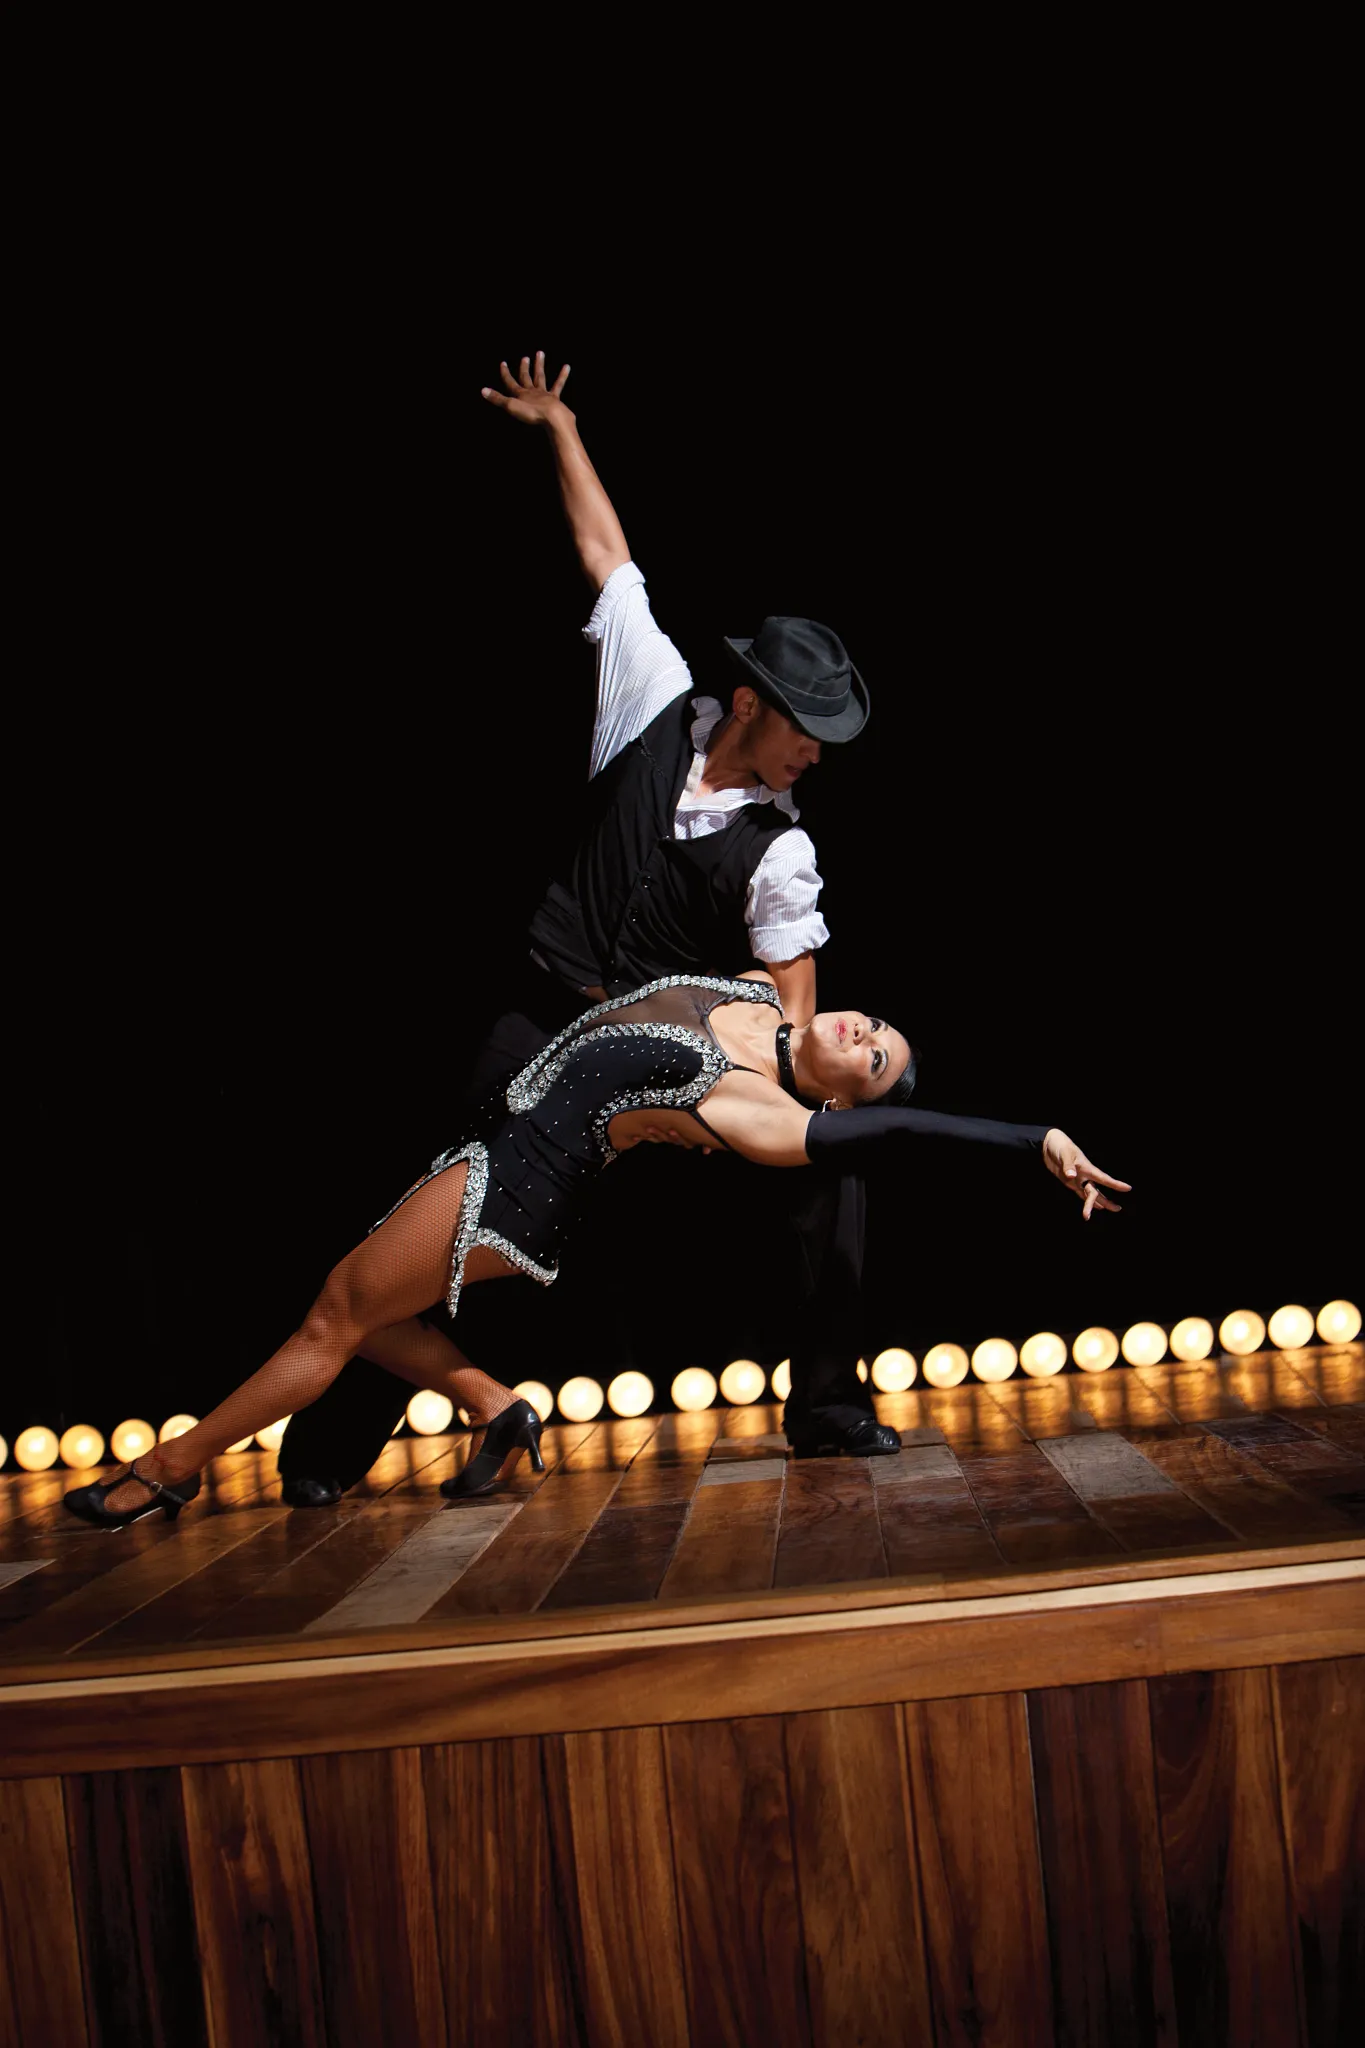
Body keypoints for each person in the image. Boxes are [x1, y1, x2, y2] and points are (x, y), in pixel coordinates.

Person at [275, 350, 882, 1506]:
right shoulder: (651, 695)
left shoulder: (783, 847)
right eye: (807, 727)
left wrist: (775, 1082)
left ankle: (831, 1399)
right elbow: (610, 558)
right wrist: (557, 424)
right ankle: (332, 1444)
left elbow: (792, 999)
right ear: (749, 701)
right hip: (546, 1015)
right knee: (448, 1204)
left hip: (666, 1058)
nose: (817, 752)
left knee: (830, 1171)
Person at [65, 974, 1128, 1526]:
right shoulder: (756, 997)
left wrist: (1031, 1139)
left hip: (511, 1190)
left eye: (873, 1058)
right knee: (365, 1310)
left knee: (336, 1314)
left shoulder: (760, 1112)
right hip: (484, 1140)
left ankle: (170, 1470)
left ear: (841, 1097)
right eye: (872, 1021)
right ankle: (494, 1403)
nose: (860, 1031)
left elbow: (904, 1131)